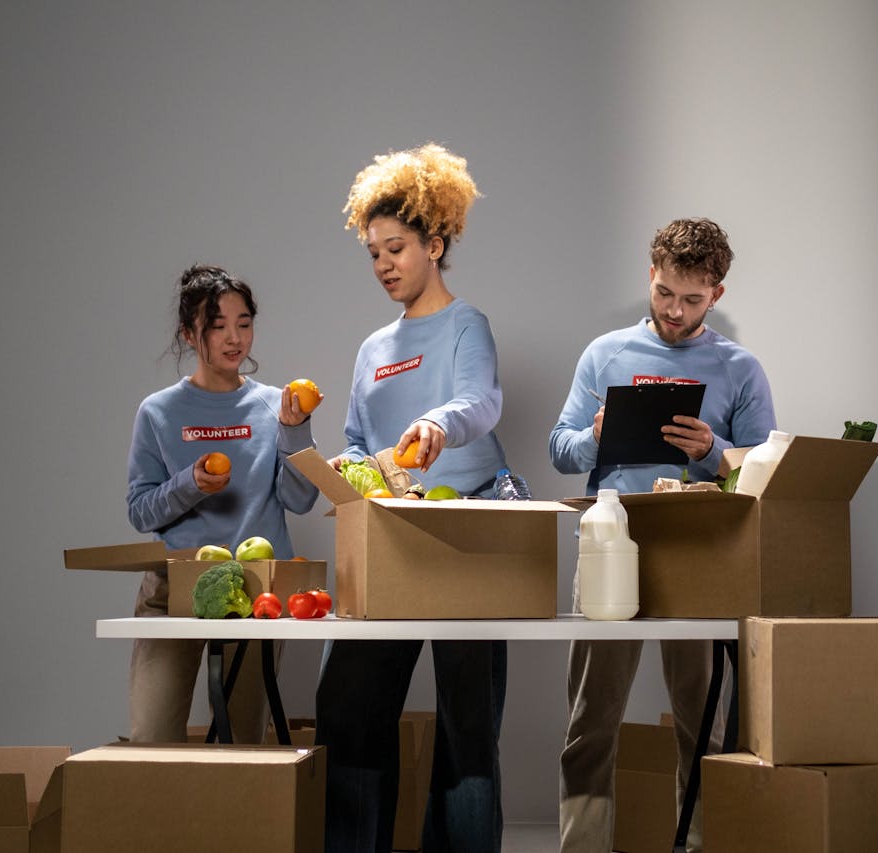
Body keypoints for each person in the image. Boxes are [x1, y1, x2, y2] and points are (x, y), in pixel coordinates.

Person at [549, 217, 776, 853]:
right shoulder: (606, 354)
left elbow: (764, 469)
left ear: (717, 295)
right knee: (590, 722)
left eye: (692, 299)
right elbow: (559, 449)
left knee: (702, 722)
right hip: (608, 541)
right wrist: (595, 434)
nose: (675, 312)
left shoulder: (740, 368)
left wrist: (714, 448)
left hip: (699, 549)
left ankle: (699, 843)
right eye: (664, 293)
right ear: (651, 276)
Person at [314, 143, 507, 853]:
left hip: (465, 539)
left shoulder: (466, 325)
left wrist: (435, 423)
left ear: (435, 242)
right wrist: (347, 464)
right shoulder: (372, 348)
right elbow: (361, 440)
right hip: (389, 539)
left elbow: (479, 401)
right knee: (348, 706)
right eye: (373, 252)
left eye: (396, 247)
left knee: (467, 725)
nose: (384, 264)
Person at [126, 263, 322, 743]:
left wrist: (296, 430)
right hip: (174, 587)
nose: (234, 339)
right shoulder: (158, 411)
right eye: (218, 326)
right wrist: (191, 483)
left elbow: (301, 500)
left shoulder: (275, 404)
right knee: (151, 740)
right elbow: (140, 511)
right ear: (189, 334)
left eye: (244, 323)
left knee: (244, 748)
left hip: (258, 591)